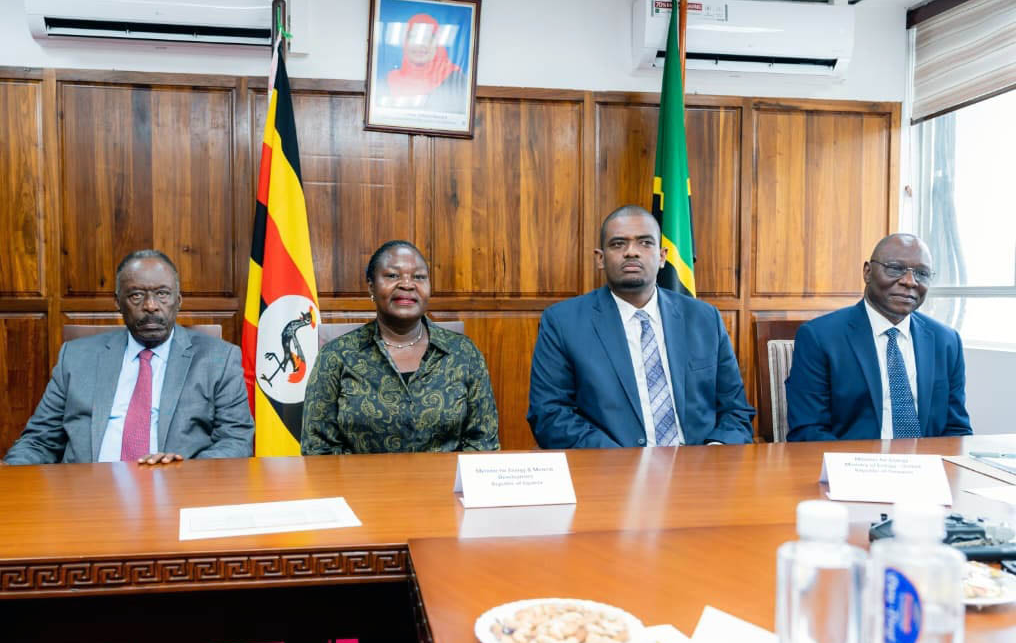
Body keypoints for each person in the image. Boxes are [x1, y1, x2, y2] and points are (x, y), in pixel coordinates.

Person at [0, 249, 253, 643]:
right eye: (137, 296)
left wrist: (184, 467)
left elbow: (236, 441)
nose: (151, 306)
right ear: (118, 302)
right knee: (41, 626)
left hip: (171, 514)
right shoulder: (78, 356)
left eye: (162, 295)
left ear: (179, 299)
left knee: (170, 633)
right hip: (79, 512)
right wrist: (4, 473)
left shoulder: (217, 357)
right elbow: (40, 439)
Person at [527, 205, 755, 449]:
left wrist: (714, 453)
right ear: (600, 258)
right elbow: (549, 415)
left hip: (700, 471)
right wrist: (623, 462)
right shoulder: (563, 322)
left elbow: (736, 410)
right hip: (611, 473)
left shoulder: (704, 319)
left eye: (645, 243)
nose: (631, 252)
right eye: (618, 244)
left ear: (662, 256)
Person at [301, 240, 499, 454]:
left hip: (444, 486)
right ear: (371, 286)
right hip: (359, 487)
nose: (407, 284)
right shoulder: (337, 355)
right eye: (392, 276)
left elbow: (483, 443)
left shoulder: (463, 352)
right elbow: (318, 448)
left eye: (419, 277)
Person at [785, 233, 972, 441]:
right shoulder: (819, 337)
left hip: (927, 468)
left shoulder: (946, 341)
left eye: (922, 273)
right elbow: (808, 430)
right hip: (852, 467)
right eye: (895, 268)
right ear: (867, 272)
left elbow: (957, 430)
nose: (910, 282)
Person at [382, 13, 467, 113]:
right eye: (413, 38)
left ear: (437, 44)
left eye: (427, 38)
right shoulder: (390, 79)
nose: (420, 45)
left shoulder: (454, 78)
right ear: (405, 43)